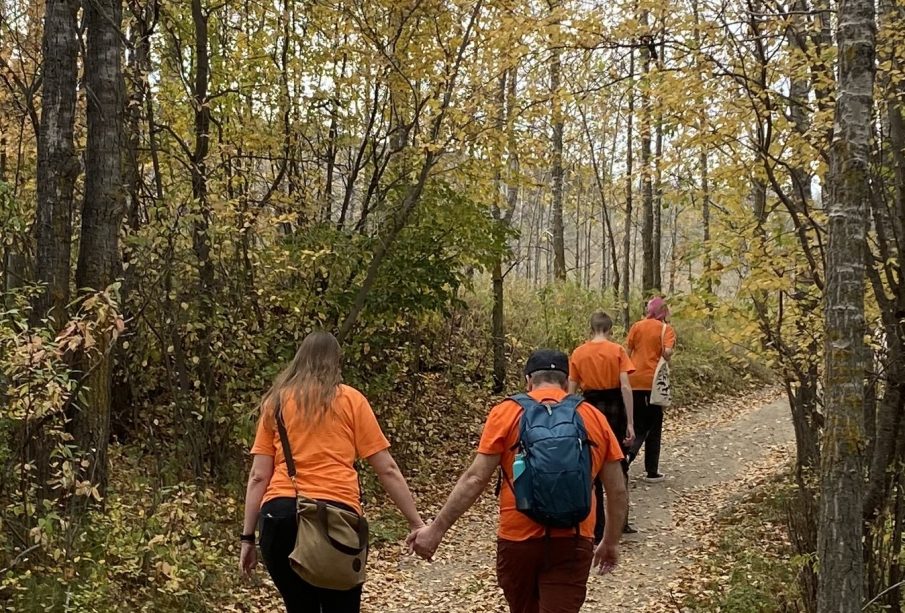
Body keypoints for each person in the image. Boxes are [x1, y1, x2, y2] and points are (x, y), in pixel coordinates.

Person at [408, 349, 627, 613]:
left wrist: (436, 530)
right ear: (566, 380)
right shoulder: (591, 416)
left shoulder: (507, 412)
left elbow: (475, 479)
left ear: (528, 380)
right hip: (574, 537)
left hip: (518, 538)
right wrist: (611, 541)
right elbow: (616, 489)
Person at [239, 331, 424, 613]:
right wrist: (416, 523)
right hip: (336, 519)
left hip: (280, 516)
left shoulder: (275, 404)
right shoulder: (351, 400)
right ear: (336, 362)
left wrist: (247, 538)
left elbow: (258, 476)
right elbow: (386, 468)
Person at [568, 311, 636, 538]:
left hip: (589, 408)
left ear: (591, 328)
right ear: (610, 329)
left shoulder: (578, 353)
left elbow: (571, 390)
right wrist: (630, 422)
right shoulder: (617, 351)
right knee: (618, 462)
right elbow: (626, 387)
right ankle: (621, 522)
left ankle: (596, 527)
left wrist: (569, 419)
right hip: (615, 407)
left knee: (592, 465)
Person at [626, 297, 676, 482]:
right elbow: (667, 353)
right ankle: (645, 467)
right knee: (652, 426)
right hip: (653, 384)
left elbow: (628, 351)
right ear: (663, 311)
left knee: (636, 421)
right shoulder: (666, 330)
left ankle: (627, 456)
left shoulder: (637, 326)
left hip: (632, 381)